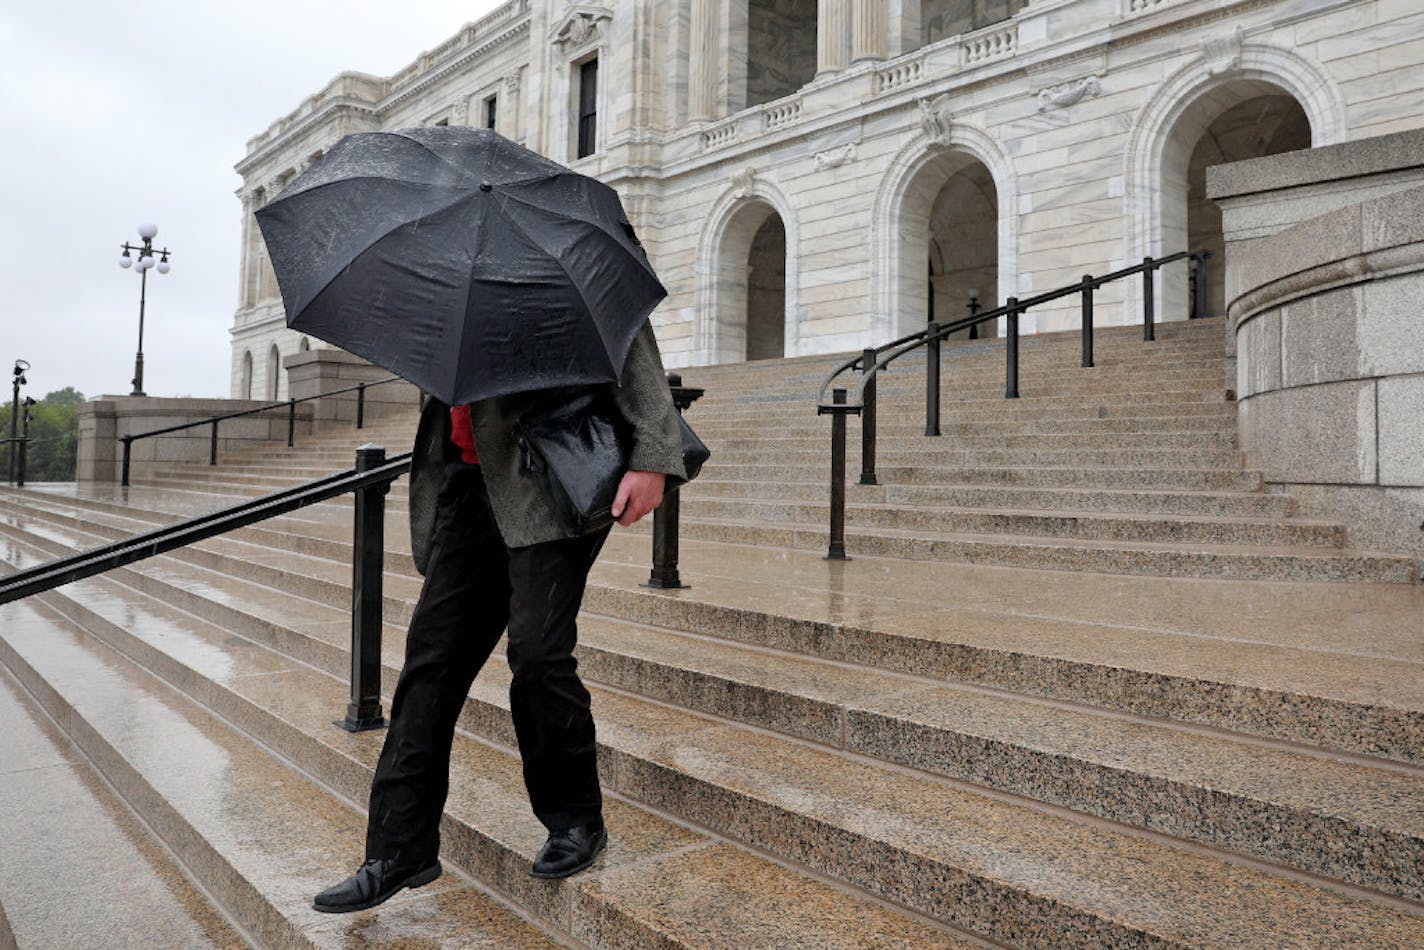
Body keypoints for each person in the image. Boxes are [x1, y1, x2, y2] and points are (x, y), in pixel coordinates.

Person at [313, 320, 685, 913]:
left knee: (537, 654)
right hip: (466, 481)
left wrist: (653, 456)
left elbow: (629, 342)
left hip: (548, 477)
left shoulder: (556, 237)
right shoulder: (447, 255)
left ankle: (575, 820)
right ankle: (399, 847)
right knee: (429, 666)